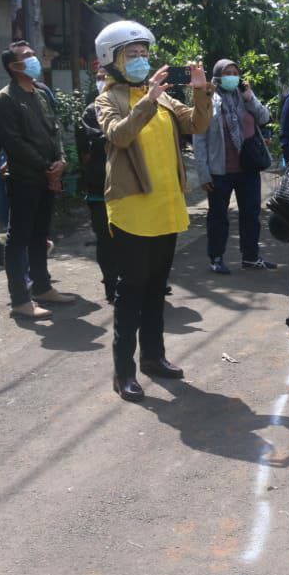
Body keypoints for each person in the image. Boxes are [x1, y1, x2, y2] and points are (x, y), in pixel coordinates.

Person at [94, 20, 212, 402]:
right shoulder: (107, 99)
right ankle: (122, 371)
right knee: (130, 291)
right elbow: (120, 135)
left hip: (165, 205)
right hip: (131, 208)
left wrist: (200, 91)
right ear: (110, 60)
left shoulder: (159, 96)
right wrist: (148, 98)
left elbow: (198, 123)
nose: (142, 60)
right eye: (132, 54)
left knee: (156, 289)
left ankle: (154, 357)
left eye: (144, 53)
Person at [0, 41, 76, 320]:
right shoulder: (5, 99)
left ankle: (42, 288)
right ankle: (20, 300)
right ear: (13, 67)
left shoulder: (40, 92)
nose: (34, 60)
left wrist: (60, 161)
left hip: (48, 176)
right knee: (18, 240)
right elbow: (13, 143)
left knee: (40, 236)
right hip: (25, 178)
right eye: (26, 57)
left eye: (32, 55)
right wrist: (45, 168)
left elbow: (55, 130)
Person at [193, 58, 276, 274]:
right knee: (218, 216)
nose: (232, 76)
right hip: (220, 170)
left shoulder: (244, 96)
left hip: (248, 168)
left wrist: (250, 97)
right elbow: (199, 138)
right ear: (218, 75)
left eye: (235, 72)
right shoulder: (208, 98)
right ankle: (216, 258)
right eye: (227, 72)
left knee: (251, 214)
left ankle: (250, 257)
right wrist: (203, 173)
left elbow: (265, 117)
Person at [76, 71, 117, 303]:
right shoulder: (91, 112)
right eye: (100, 76)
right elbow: (86, 151)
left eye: (108, 75)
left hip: (129, 187)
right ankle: (111, 286)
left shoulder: (134, 107)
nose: (104, 80)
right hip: (100, 187)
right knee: (105, 238)